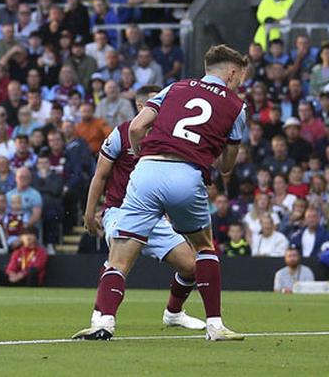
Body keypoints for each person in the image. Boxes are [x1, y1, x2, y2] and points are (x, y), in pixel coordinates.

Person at [73, 44, 248, 342]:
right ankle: (215, 325)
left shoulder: (175, 87)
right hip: (186, 175)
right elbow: (227, 166)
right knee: (204, 248)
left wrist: (145, 156)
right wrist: (212, 153)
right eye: (241, 76)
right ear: (231, 72)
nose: (240, 82)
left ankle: (103, 322)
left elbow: (138, 127)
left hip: (146, 172)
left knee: (118, 259)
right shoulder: (236, 106)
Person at [76, 85, 206, 334]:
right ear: (140, 107)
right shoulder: (121, 133)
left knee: (192, 267)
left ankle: (174, 313)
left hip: (154, 216)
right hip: (120, 210)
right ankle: (103, 318)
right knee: (118, 262)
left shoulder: (168, 135)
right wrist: (89, 213)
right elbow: (100, 175)